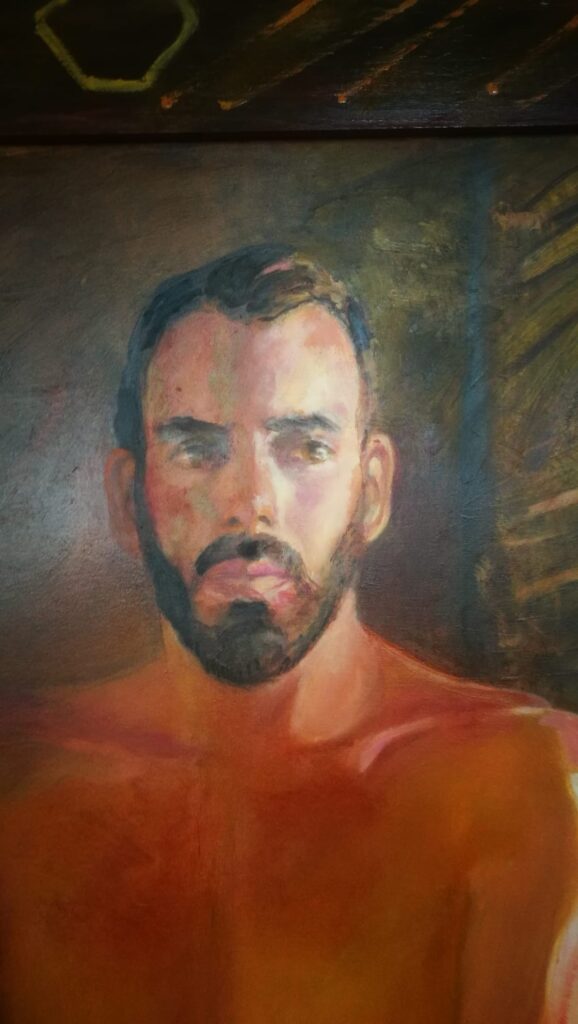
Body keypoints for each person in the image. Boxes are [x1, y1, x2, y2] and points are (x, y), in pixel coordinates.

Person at [0, 244, 576, 1024]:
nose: (251, 501)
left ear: (371, 492)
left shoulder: (531, 785)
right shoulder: (19, 787)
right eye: (197, 448)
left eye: (306, 447)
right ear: (126, 497)